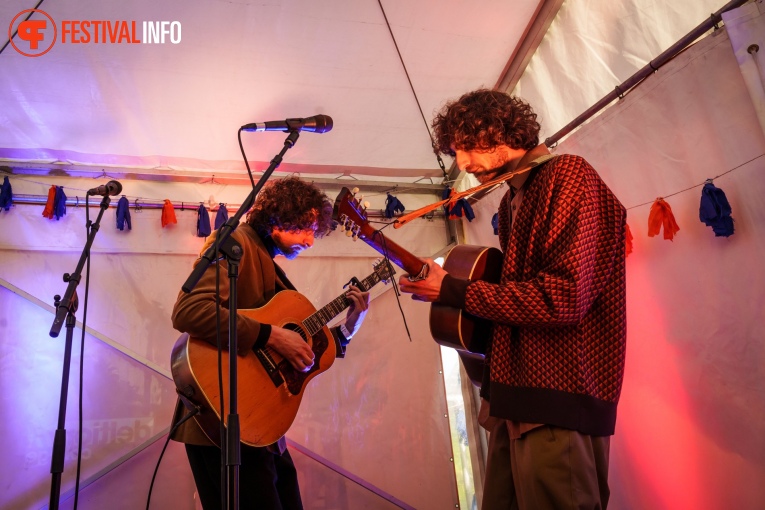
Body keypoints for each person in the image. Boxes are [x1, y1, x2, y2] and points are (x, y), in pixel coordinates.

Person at [399, 89, 626, 509]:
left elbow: (564, 298)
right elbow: (514, 299)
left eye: (466, 147)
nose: (462, 164)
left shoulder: (568, 174)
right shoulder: (512, 196)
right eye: (455, 152)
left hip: (558, 396)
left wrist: (451, 289)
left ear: (500, 131)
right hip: (513, 397)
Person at [170, 176, 370, 509]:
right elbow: (189, 310)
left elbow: (301, 347)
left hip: (259, 426)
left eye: (314, 232)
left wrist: (349, 326)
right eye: (306, 228)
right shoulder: (234, 242)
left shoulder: (266, 260)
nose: (310, 240)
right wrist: (271, 334)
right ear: (280, 218)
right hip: (220, 421)